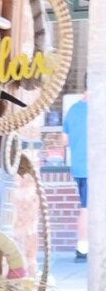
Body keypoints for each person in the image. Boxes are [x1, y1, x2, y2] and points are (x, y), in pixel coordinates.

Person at [63, 83, 89, 262]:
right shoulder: (99, 110)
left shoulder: (72, 110)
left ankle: (83, 248)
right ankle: (83, 249)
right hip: (95, 168)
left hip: (79, 167)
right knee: (88, 208)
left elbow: (64, 140)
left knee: (86, 206)